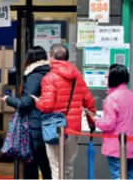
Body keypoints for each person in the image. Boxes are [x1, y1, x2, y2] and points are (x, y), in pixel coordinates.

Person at [34, 44, 96, 179]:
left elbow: (47, 106)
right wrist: (92, 122)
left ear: (51, 57)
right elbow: (89, 102)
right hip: (73, 128)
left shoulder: (49, 78)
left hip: (54, 128)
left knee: (56, 165)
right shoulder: (77, 77)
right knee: (68, 166)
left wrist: (36, 101)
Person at [1, 46, 52, 179]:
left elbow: (26, 102)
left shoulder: (35, 75)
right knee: (47, 166)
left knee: (32, 166)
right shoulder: (49, 72)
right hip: (46, 124)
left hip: (34, 126)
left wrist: (8, 99)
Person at [87, 64, 133, 179]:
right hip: (131, 144)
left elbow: (109, 123)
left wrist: (96, 120)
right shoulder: (132, 96)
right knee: (130, 175)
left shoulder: (112, 98)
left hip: (116, 145)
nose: (105, 78)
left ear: (113, 78)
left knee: (117, 175)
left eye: (107, 76)